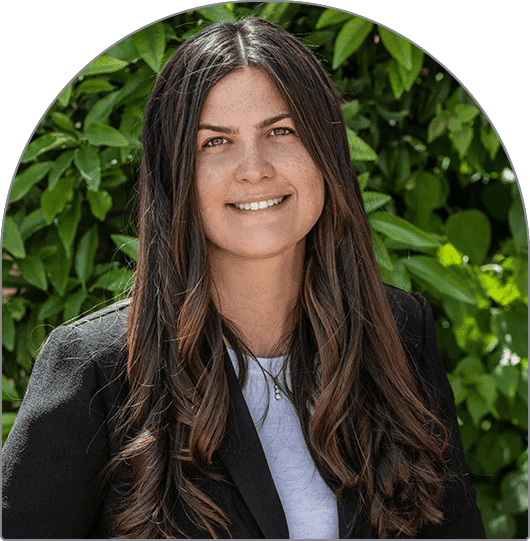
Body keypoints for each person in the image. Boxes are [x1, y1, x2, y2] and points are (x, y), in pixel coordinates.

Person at [2, 17, 486, 539]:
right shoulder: (96, 369)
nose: (253, 168)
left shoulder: (400, 331)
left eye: (281, 132)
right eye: (215, 143)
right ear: (175, 174)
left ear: (326, 155)